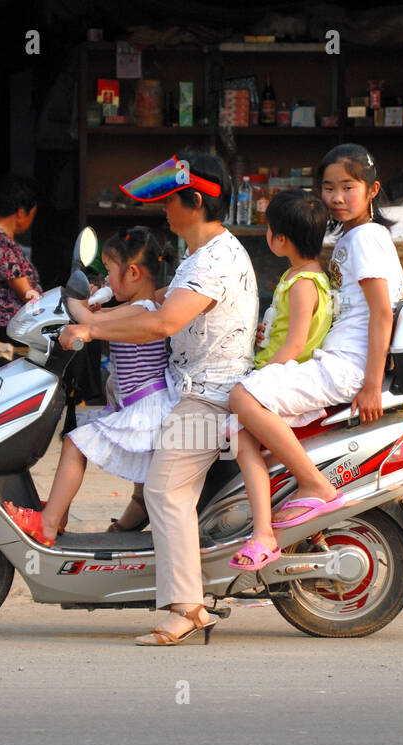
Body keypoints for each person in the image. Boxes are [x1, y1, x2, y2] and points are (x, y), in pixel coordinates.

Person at [61, 152, 258, 646]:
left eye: (169, 202)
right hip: (188, 387)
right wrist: (91, 325)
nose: (163, 212)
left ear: (194, 202)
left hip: (207, 397)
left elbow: (162, 323)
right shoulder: (200, 254)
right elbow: (153, 310)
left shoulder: (211, 260)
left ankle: (188, 609)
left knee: (165, 491)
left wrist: (90, 328)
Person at [226, 144, 403, 563]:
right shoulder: (351, 239)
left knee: (241, 397)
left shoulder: (365, 239)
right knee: (243, 431)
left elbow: (381, 313)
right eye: (328, 188)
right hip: (336, 361)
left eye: (348, 187)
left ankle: (315, 487)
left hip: (347, 367)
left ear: (372, 189)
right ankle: (264, 534)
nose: (337, 198)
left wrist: (371, 385)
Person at [2, 227, 171, 544]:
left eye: (109, 272)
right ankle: (60, 513)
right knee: (80, 436)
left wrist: (73, 299)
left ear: (132, 273)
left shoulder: (142, 310)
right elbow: (100, 319)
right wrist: (89, 306)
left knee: (75, 444)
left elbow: (93, 324)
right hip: (138, 406)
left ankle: (49, 524)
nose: (107, 281)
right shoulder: (136, 307)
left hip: (148, 410)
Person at [226, 190, 333, 571]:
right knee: (239, 435)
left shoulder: (305, 283)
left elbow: (296, 343)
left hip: (290, 377)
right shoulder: (295, 276)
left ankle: (271, 524)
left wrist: (261, 374)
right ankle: (264, 530)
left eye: (269, 229)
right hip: (278, 371)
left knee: (239, 422)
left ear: (280, 239)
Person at [0, 174, 41, 342]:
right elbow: (26, 294)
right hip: (7, 326)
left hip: (14, 322)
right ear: (20, 213)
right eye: (31, 215)